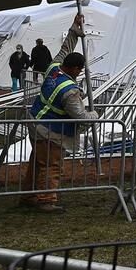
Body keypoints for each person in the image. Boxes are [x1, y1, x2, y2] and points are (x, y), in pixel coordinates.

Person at [21, 51, 97, 212]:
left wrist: (73, 32)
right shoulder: (70, 91)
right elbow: (80, 116)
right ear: (75, 69)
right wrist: (94, 115)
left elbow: (64, 48)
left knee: (37, 164)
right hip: (51, 132)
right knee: (51, 166)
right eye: (80, 70)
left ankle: (29, 195)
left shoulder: (53, 69)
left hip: (35, 123)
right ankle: (46, 200)